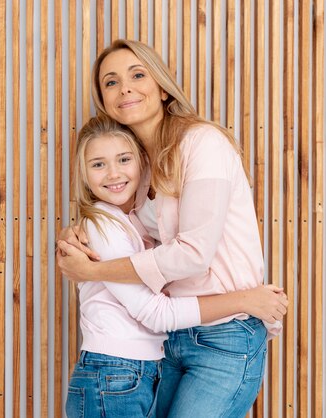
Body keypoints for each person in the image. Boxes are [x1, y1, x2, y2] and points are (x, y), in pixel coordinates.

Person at [57, 39, 286, 417]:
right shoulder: (137, 167)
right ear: (104, 99)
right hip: (169, 339)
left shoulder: (202, 144)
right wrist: (77, 233)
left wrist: (93, 271)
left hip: (226, 334)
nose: (125, 87)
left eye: (137, 75)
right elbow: (123, 235)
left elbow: (193, 255)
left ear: (162, 88)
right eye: (111, 82)